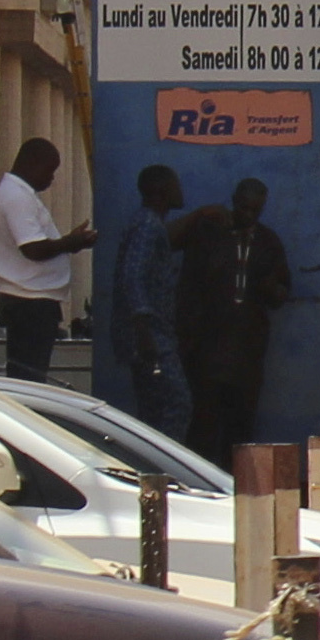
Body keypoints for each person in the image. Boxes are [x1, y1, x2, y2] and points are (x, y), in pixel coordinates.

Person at [176, 177, 292, 466]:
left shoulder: (267, 242)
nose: (248, 215)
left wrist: (269, 286)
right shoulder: (210, 236)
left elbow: (281, 294)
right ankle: (200, 485)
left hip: (247, 353)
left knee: (240, 430)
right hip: (206, 351)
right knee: (203, 427)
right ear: (234, 201)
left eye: (255, 210)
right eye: (243, 208)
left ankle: (235, 486)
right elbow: (187, 287)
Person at [0, 139, 94, 382]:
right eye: (49, 170)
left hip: (32, 298)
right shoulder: (16, 197)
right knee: (29, 377)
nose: (51, 178)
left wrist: (69, 241)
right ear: (31, 163)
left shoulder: (18, 194)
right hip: (29, 301)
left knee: (30, 374)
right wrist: (71, 242)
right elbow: (33, 249)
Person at [111, 164, 189, 438]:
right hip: (151, 336)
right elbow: (133, 276)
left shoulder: (150, 224)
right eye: (175, 184)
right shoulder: (147, 225)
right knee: (177, 404)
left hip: (152, 333)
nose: (181, 190)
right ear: (162, 190)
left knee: (153, 410)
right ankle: (162, 460)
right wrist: (144, 332)